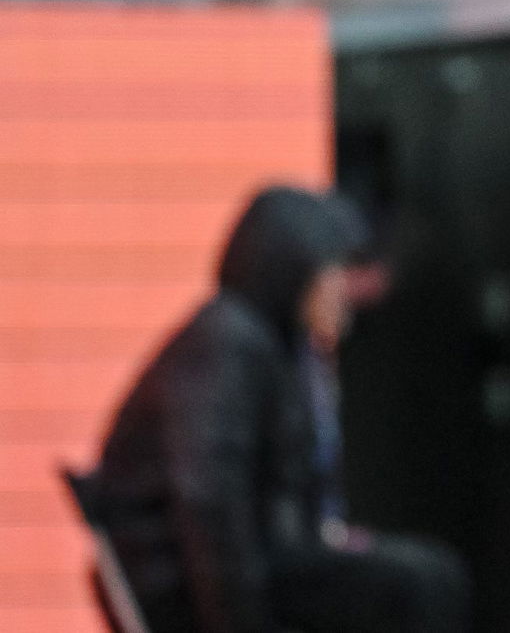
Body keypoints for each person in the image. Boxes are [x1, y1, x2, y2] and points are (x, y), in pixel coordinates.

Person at [91, 186, 470, 633]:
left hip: (250, 568)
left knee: (428, 577)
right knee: (418, 584)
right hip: (193, 589)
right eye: (330, 273)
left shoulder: (271, 348)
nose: (341, 291)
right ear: (292, 271)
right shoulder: (226, 344)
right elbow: (210, 503)